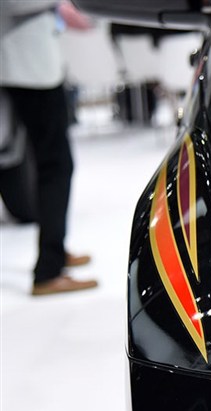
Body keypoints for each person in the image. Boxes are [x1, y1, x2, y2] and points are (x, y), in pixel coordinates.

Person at [0, 0, 98, 295]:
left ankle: (54, 250)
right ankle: (48, 270)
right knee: (56, 164)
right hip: (27, 67)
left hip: (27, 63)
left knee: (51, 163)